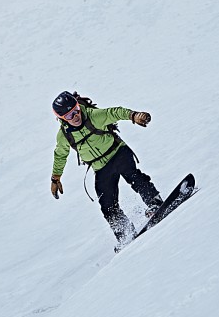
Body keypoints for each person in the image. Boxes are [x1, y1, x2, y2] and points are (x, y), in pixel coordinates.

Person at [50, 91, 163, 246]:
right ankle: (125, 233)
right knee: (107, 204)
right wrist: (56, 177)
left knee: (135, 177)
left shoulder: (93, 116)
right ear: (62, 119)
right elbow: (60, 154)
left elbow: (114, 112)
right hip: (101, 168)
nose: (75, 116)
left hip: (118, 153)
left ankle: (155, 203)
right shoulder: (64, 136)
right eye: (69, 116)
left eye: (76, 111)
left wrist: (134, 115)